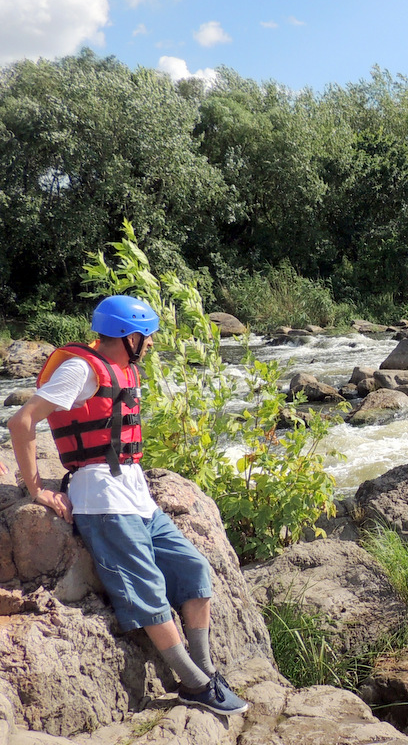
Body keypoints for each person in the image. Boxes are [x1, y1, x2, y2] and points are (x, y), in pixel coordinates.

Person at [6, 295, 249, 716]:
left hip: (136, 494)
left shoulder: (124, 368)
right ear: (128, 335)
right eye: (147, 335)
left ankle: (206, 670)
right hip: (100, 499)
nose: (151, 343)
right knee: (149, 590)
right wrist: (36, 490)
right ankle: (193, 683)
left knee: (193, 569)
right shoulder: (80, 369)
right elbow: (21, 419)